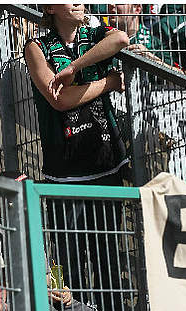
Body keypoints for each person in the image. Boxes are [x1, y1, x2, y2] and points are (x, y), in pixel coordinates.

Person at [23, 4, 131, 184]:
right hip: (65, 168)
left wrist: (74, 67)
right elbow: (61, 100)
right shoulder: (36, 47)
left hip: (107, 159)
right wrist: (109, 83)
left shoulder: (94, 35)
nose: (78, 3)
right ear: (50, 7)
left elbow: (121, 39)